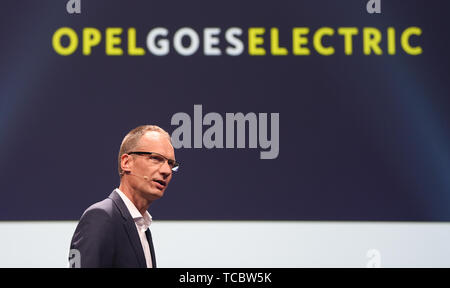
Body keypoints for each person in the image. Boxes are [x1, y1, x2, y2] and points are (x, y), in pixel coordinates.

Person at [69, 125, 179, 268]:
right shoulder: (101, 217)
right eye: (156, 158)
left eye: (171, 164)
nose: (166, 171)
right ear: (126, 162)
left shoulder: (142, 228)